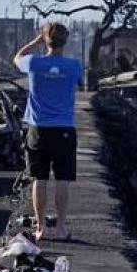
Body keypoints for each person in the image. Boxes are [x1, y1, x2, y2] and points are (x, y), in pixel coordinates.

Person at [13, 22, 83, 241]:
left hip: (38, 129)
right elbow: (81, 85)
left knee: (39, 179)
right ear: (65, 41)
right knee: (63, 179)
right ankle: (61, 227)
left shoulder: (34, 62)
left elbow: (17, 57)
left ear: (46, 39)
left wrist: (36, 41)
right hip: (64, 128)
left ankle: (41, 228)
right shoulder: (74, 66)